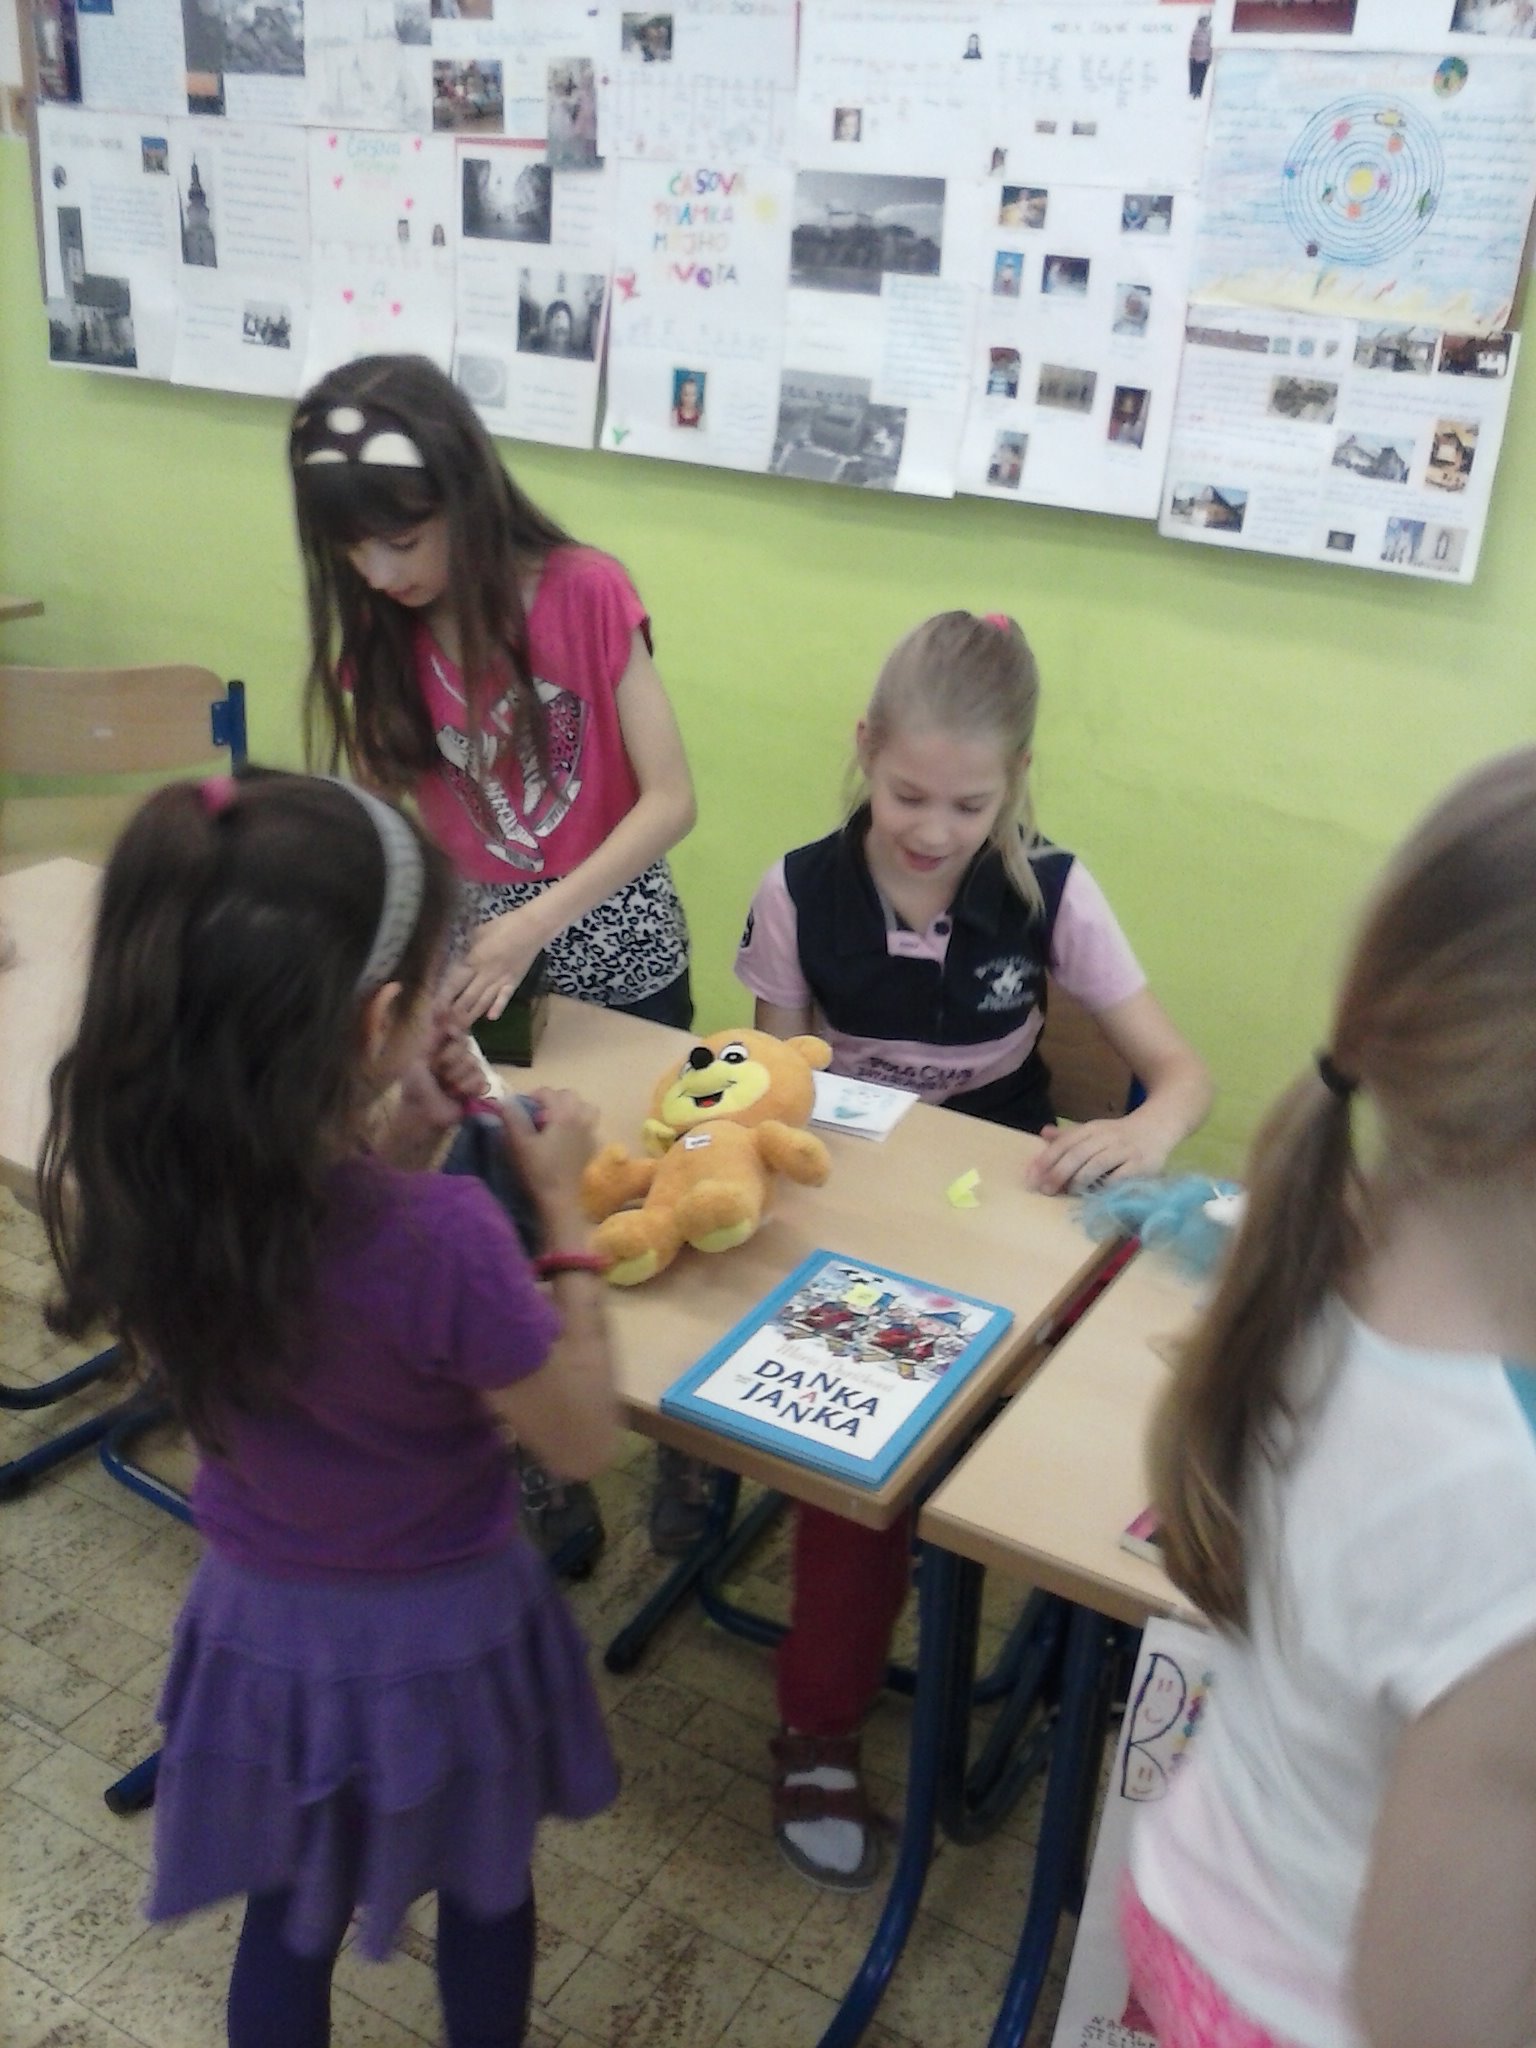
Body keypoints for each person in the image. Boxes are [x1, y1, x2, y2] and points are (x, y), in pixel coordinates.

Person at [38, 771, 620, 2048]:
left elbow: (322, 1282)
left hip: (266, 1633)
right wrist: (565, 1207)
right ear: (374, 1023)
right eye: (431, 982)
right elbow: (580, 1436)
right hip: (442, 1637)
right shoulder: (450, 1238)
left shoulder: (165, 1192)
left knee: (290, 1911)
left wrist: (398, 1140)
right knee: (485, 1882)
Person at [735, 610, 1211, 1887]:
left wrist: (1144, 1127)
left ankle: (1107, 1650)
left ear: (1017, 782)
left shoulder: (1050, 887)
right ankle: (817, 1726)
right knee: (860, 1472)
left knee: (1140, 1401)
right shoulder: (798, 889)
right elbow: (775, 1078)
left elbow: (1181, 1076)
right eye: (907, 796)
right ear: (864, 749)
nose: (934, 831)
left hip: (1016, 1207)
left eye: (969, 804)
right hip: (856, 1216)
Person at [1128, 747, 1536, 2048]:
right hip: (1285, 2005)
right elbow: (1435, 2014)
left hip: (1204, 1890)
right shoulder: (1503, 1522)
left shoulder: (1331, 1250)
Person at [288, 354, 704, 1562]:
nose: (382, 573)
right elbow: (386, 836)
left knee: (644, 1194)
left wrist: (530, 920)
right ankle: (538, 1447)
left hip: (616, 939)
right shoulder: (378, 634)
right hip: (472, 971)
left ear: (464, 492)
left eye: (402, 539)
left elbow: (670, 801)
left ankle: (691, 1447)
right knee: (498, 1204)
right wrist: (417, 963)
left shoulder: (585, 591)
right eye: (354, 551)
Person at [1188, 13, 1212, 98]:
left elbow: (1210, 45)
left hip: (1203, 57)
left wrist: (1210, 56)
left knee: (1200, 76)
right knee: (1195, 75)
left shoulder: (1209, 31)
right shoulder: (1197, 31)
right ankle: (1193, 91)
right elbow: (1193, 44)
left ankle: (1198, 92)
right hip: (1196, 57)